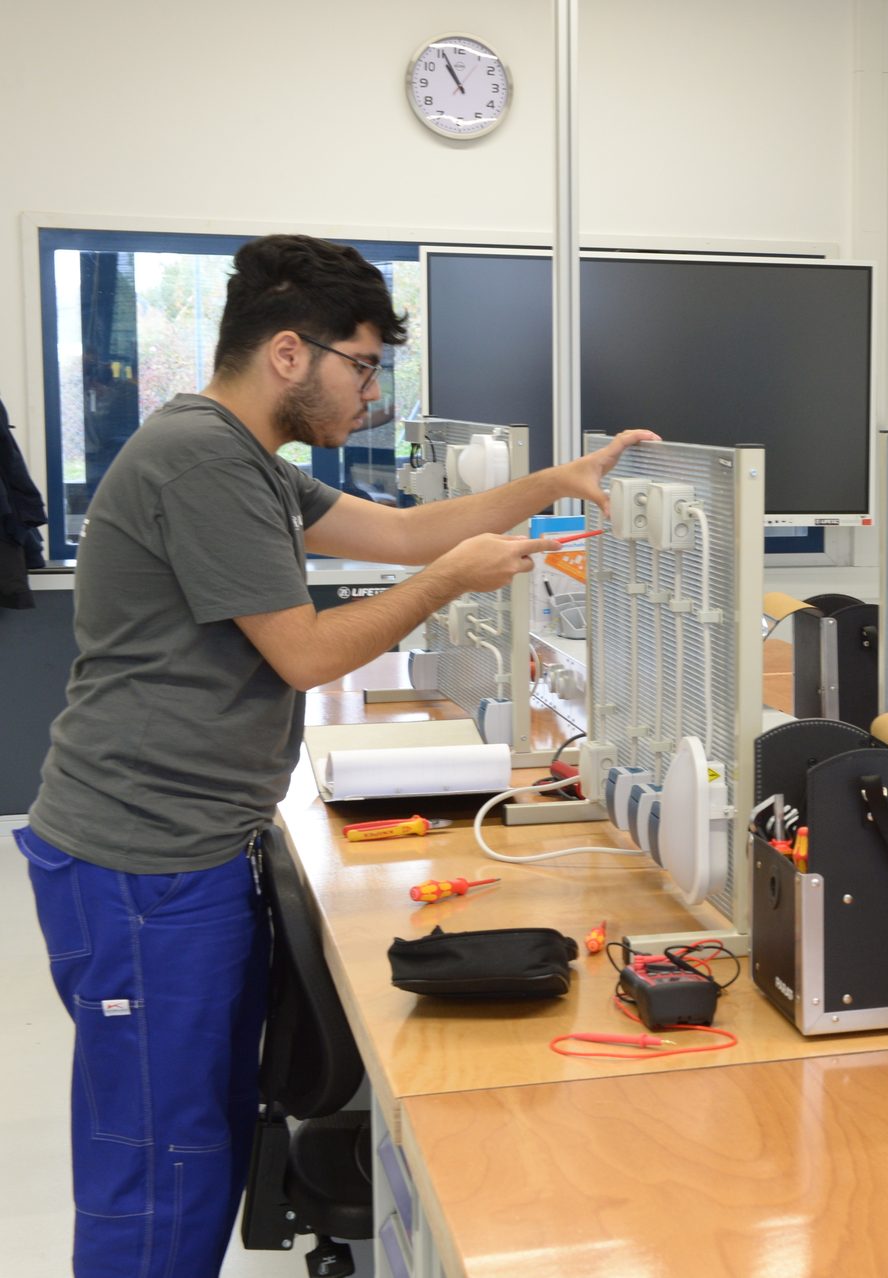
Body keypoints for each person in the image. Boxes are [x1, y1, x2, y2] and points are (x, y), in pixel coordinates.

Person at [14, 233, 656, 1277]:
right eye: (360, 366)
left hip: (186, 849)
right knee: (159, 1164)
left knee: (200, 1139)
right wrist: (454, 580)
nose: (369, 393)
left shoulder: (248, 462)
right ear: (286, 354)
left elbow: (404, 534)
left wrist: (552, 482)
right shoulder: (200, 459)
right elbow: (307, 653)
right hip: (141, 860)